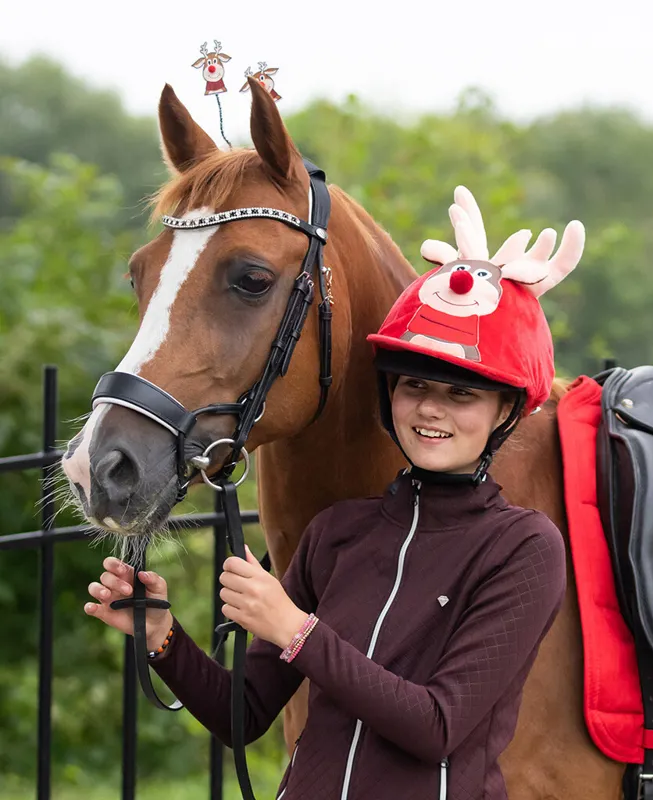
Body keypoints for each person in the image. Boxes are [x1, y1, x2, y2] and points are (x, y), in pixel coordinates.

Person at [84, 187, 585, 800]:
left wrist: (295, 630)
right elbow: (242, 716)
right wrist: (161, 632)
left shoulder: (525, 547)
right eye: (414, 384)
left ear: (505, 409)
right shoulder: (337, 532)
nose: (430, 409)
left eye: (462, 395)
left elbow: (437, 727)